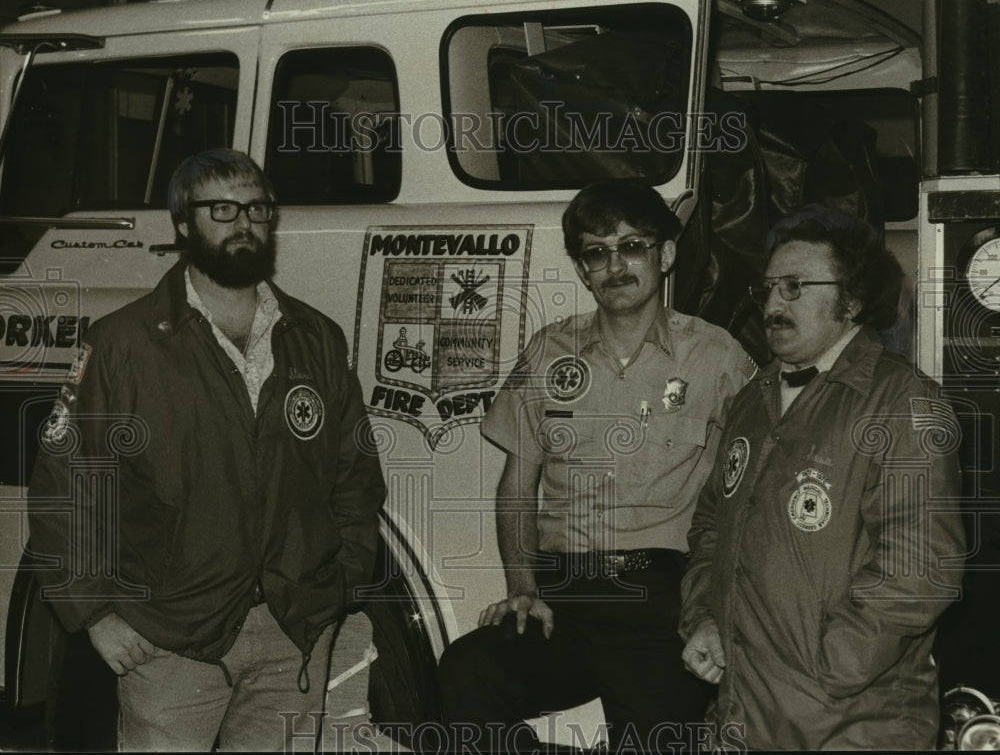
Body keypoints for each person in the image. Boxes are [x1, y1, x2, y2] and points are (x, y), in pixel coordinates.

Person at [27, 148, 386, 751]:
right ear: (183, 223)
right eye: (221, 209)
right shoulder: (122, 346)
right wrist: (94, 613)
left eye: (256, 208)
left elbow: (356, 477)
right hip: (169, 637)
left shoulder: (315, 339)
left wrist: (339, 583)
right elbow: (67, 487)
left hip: (293, 630)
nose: (243, 222)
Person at [437, 179, 757, 752]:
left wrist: (717, 608)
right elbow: (518, 485)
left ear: (666, 254)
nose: (615, 265)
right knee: (466, 674)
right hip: (563, 598)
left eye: (632, 246)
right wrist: (522, 587)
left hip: (661, 601)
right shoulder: (549, 350)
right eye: (596, 252)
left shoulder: (717, 356)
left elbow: (755, 483)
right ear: (582, 271)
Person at [680, 208, 966, 750]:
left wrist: (829, 667)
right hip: (743, 718)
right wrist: (706, 618)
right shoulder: (751, 400)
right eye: (767, 288)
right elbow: (711, 526)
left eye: (794, 287)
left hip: (854, 727)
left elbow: (922, 567)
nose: (773, 304)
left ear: (851, 301)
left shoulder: (902, 402)